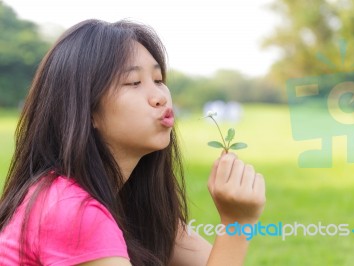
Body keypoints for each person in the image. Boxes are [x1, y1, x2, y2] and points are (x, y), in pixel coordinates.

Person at [0, 19, 266, 266]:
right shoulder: (74, 211)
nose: (160, 97)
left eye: (159, 79)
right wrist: (236, 223)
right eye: (134, 82)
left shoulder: (129, 201)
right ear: (87, 111)